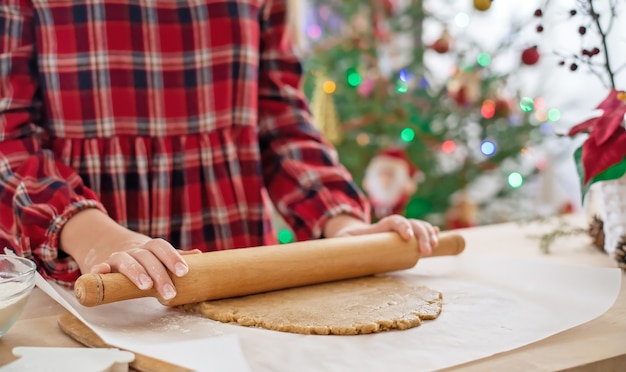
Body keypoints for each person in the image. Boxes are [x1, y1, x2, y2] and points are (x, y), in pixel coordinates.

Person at [0, 0, 439, 301]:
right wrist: (98, 241)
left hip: (235, 269)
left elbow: (279, 119)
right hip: (82, 281)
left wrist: (341, 226)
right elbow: (8, 133)